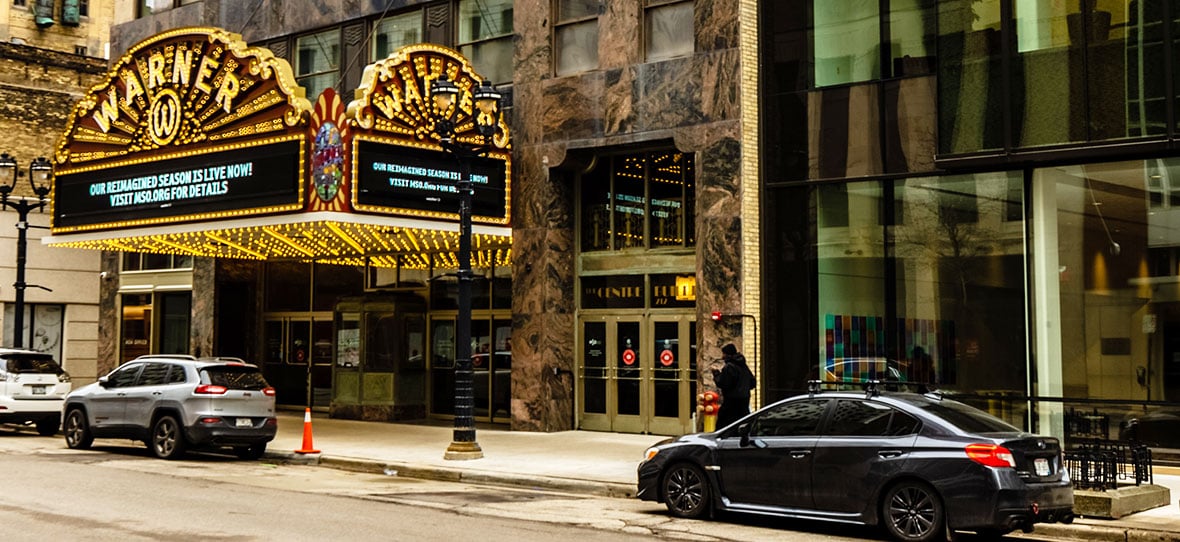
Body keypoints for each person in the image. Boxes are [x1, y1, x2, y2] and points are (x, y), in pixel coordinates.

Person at [711, 343, 755, 428]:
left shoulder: (729, 367)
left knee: (724, 424)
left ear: (727, 354)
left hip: (732, 401)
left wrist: (716, 374)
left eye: (723, 353)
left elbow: (724, 383)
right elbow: (752, 382)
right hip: (744, 400)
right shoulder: (743, 366)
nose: (722, 356)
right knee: (743, 423)